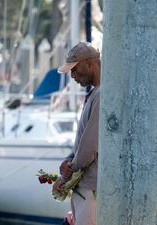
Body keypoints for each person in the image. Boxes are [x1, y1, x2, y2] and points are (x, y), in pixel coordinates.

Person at [53, 42, 101, 225]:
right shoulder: (94, 94)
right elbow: (83, 143)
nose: (72, 75)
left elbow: (90, 146)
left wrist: (65, 177)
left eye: (74, 69)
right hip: (86, 186)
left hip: (91, 187)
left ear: (90, 63)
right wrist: (68, 160)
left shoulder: (101, 95)